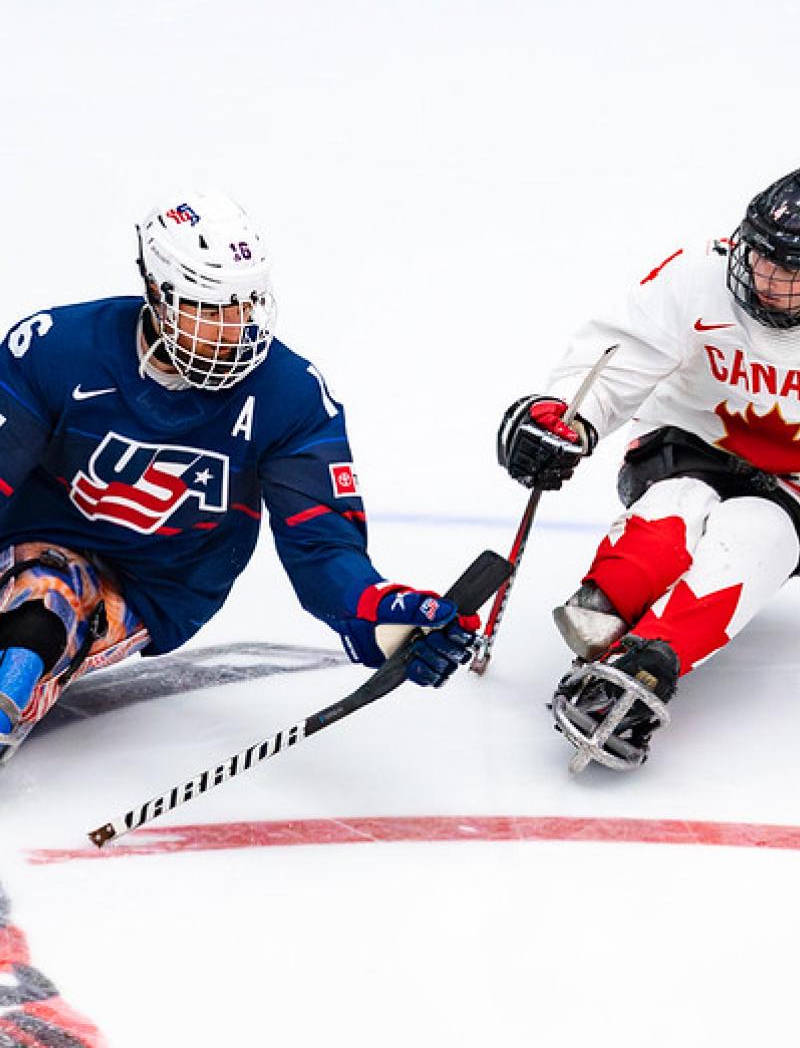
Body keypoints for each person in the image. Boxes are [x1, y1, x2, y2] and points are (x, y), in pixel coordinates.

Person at [0, 190, 479, 763]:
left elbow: (321, 545)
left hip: (152, 584)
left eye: (246, 304)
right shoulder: (55, 348)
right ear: (158, 294)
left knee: (40, 611)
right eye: (211, 307)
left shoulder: (292, 396)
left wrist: (378, 612)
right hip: (22, 536)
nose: (236, 327)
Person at [497, 167, 800, 771]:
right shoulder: (698, 276)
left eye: (790, 269)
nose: (765, 278)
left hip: (792, 490)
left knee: (753, 535)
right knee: (676, 508)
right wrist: (567, 418)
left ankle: (651, 662)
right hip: (683, 447)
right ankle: (610, 601)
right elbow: (623, 350)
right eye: (762, 255)